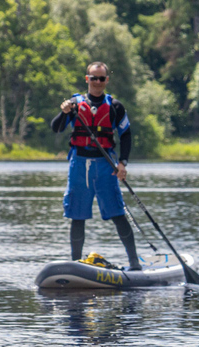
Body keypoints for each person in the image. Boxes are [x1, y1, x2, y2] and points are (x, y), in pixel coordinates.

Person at [50, 61, 141, 270]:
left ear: (107, 80)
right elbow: (56, 128)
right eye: (94, 78)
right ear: (87, 79)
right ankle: (76, 264)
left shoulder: (115, 106)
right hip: (79, 166)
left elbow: (126, 135)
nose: (97, 82)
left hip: (106, 165)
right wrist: (64, 112)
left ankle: (134, 263)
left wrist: (122, 163)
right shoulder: (74, 104)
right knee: (77, 215)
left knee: (118, 213)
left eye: (101, 78)